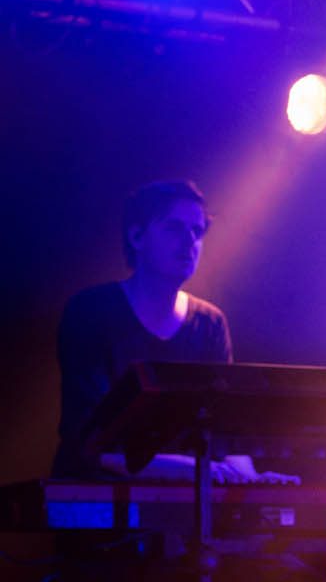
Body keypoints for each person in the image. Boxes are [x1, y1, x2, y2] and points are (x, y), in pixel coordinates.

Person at [54, 179, 294, 484]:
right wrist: (194, 470)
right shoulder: (90, 311)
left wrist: (253, 479)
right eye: (174, 228)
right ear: (136, 237)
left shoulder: (210, 323)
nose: (189, 241)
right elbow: (92, 444)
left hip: (183, 499)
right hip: (95, 496)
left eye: (197, 231)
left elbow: (222, 428)